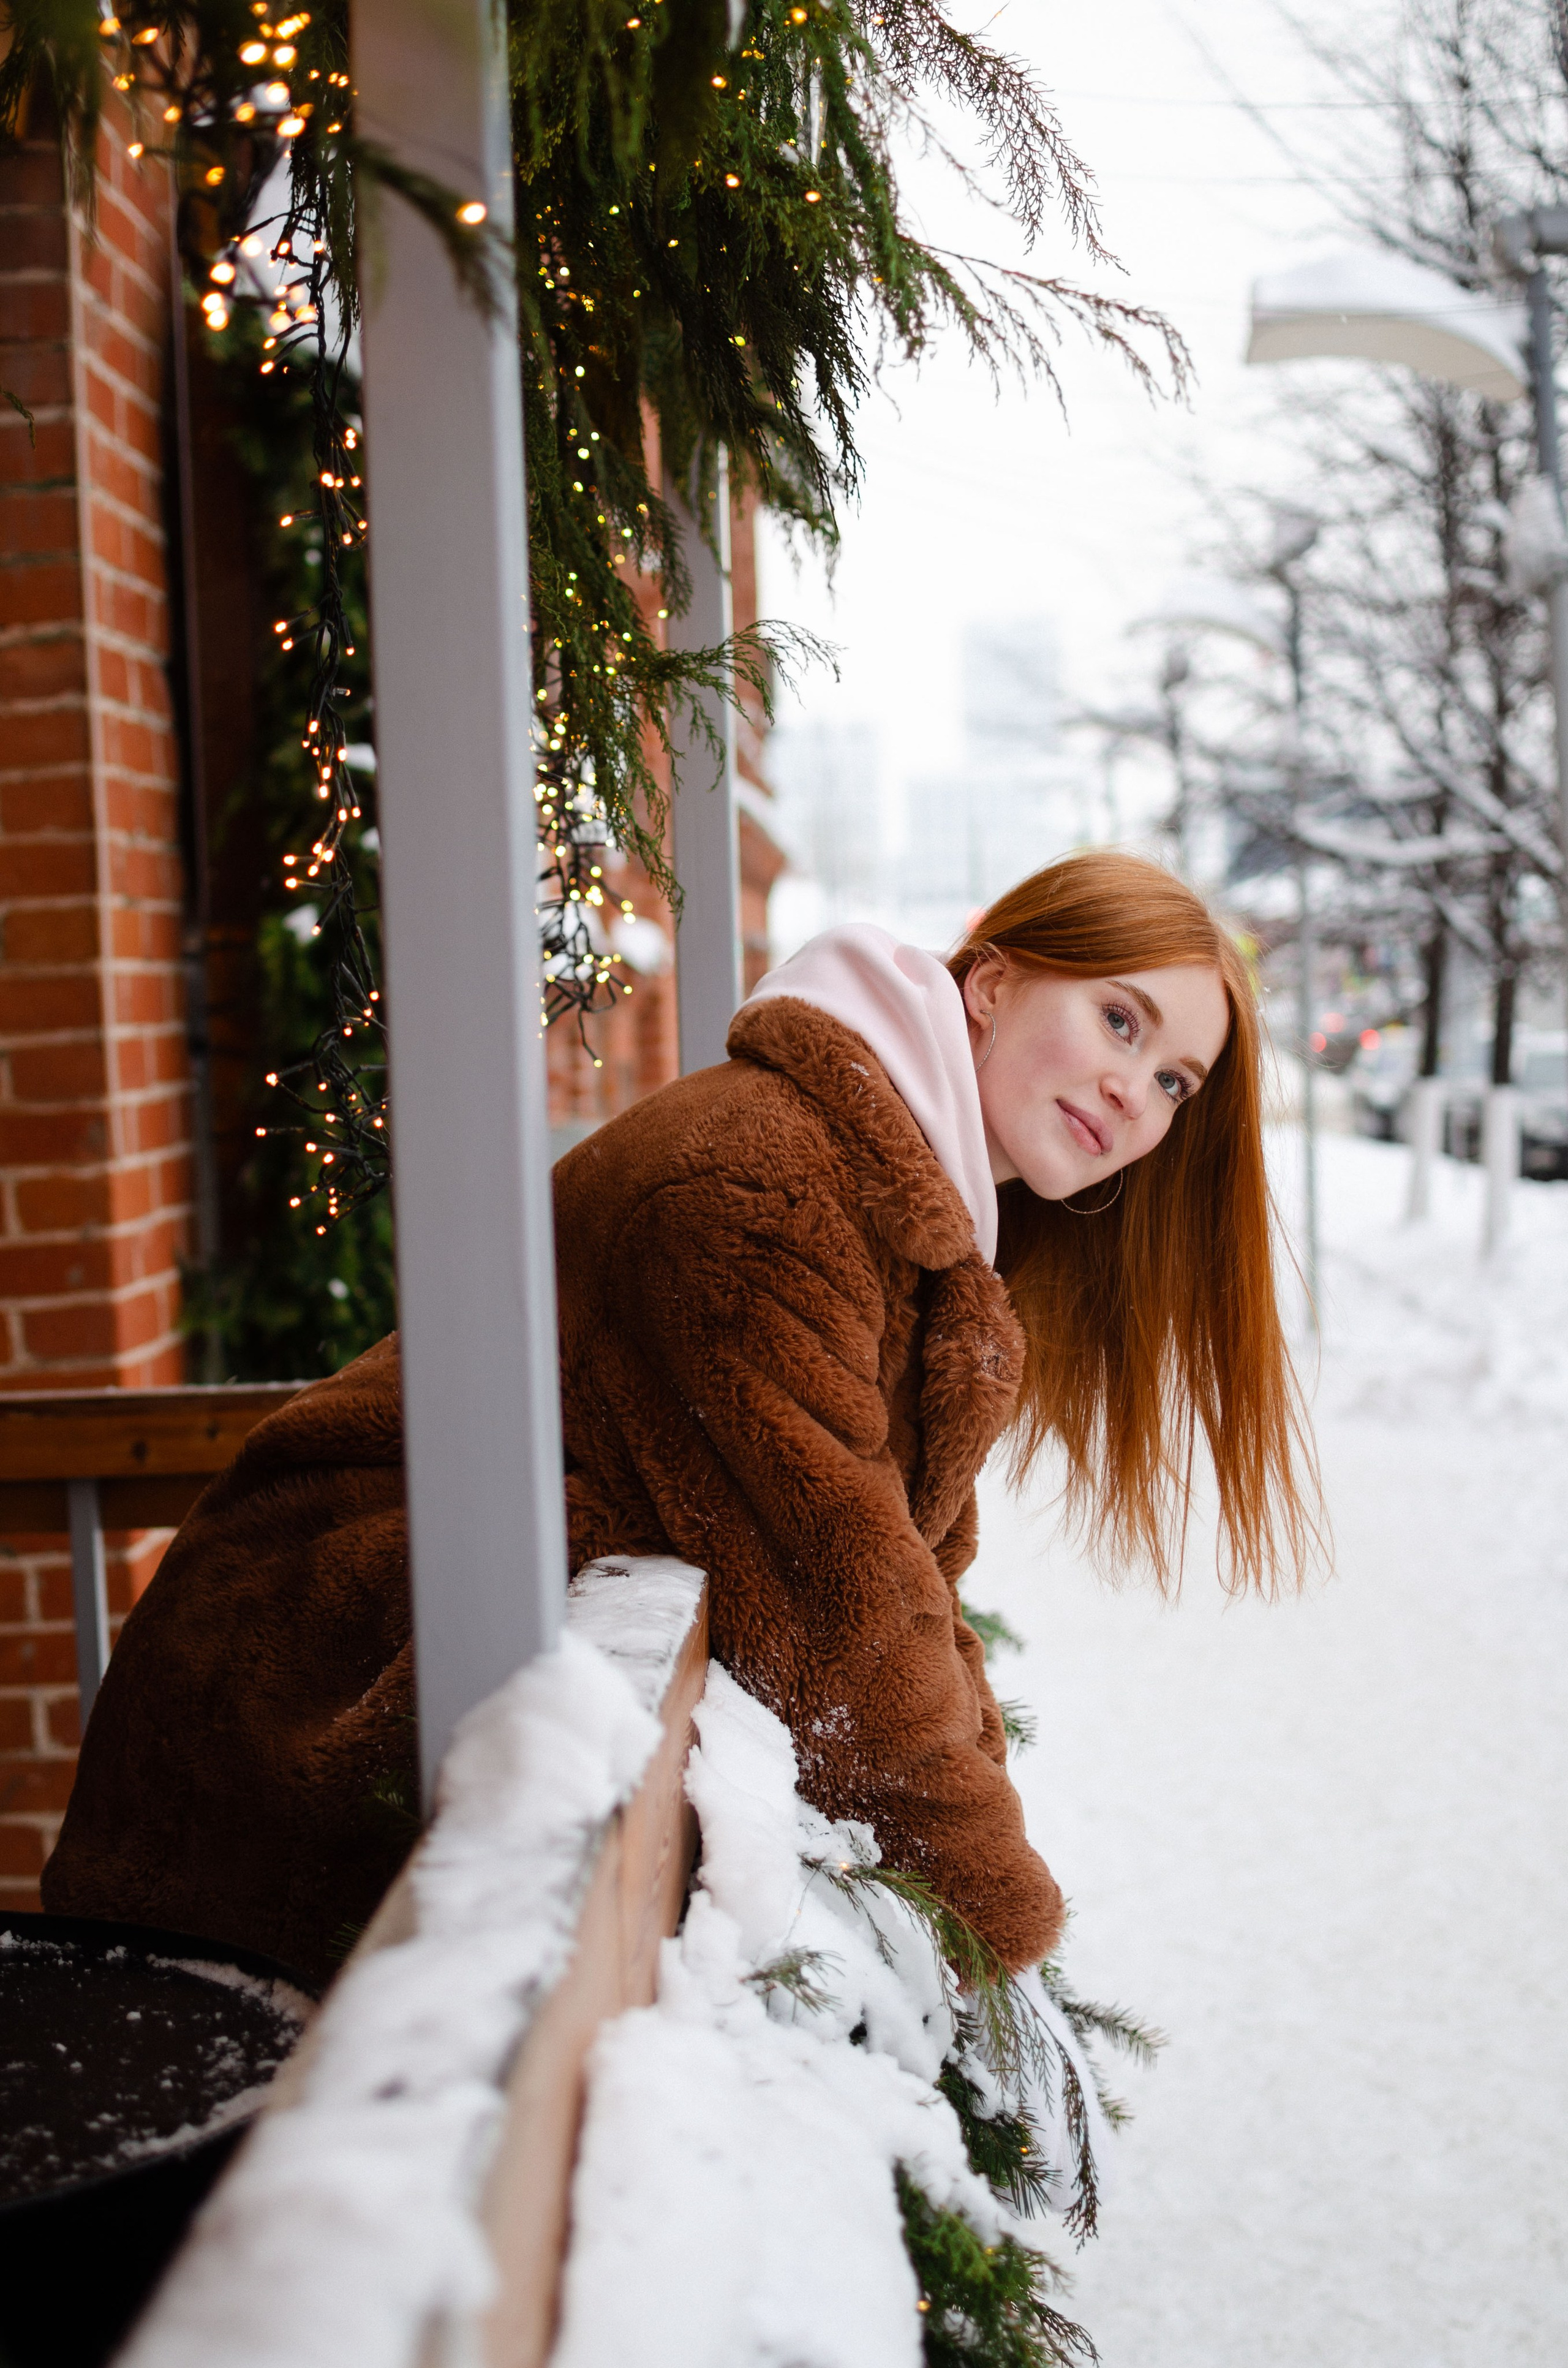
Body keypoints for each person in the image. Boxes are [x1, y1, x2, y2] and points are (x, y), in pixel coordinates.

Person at [45, 851, 1318, 1983]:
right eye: (1116, 1017)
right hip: (293, 1707)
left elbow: (905, 1583)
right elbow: (836, 1608)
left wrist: (975, 1838)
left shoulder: (909, 1235)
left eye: (1170, 1079)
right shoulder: (760, 1185)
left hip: (412, 1709)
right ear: (988, 982)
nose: (1133, 1094)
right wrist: (998, 1929)